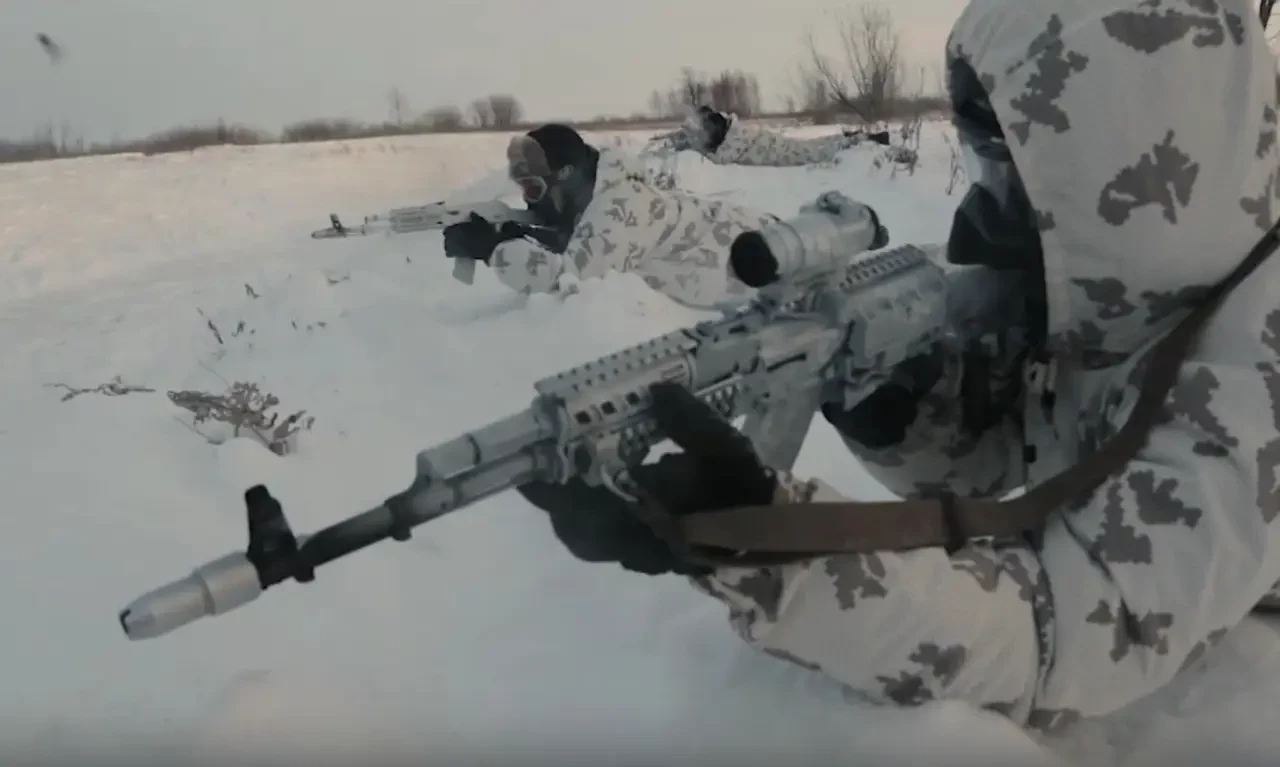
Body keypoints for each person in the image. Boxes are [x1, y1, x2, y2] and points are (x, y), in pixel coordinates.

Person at [514, 0, 1280, 734]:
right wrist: (893, 406)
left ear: (1127, 159)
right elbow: (994, 461)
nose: (985, 213)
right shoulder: (1118, 286)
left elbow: (1056, 636)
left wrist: (768, 545)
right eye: (990, 165)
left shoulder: (1258, 363)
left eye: (1016, 172)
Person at [440, 123, 778, 311]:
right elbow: (575, 236)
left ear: (566, 174)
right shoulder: (596, 189)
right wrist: (519, 231)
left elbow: (569, 283)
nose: (530, 199)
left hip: (758, 250)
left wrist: (495, 249)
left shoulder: (619, 208)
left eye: (534, 188)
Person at [658, 105, 892, 167]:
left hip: (778, 151)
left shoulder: (732, 140)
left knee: (814, 152)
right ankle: (852, 138)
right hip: (776, 145)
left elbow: (720, 158)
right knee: (813, 146)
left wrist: (694, 146)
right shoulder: (731, 129)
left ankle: (860, 140)